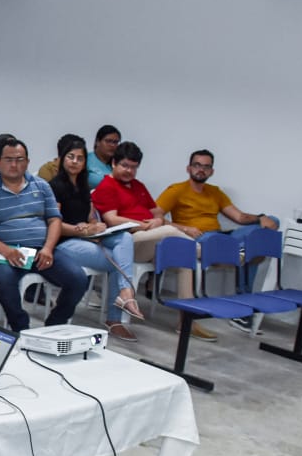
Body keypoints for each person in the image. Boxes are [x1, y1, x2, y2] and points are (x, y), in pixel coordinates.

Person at [90, 141, 212, 340]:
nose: (129, 171)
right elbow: (111, 219)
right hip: (129, 241)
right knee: (170, 232)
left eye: (134, 167)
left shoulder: (139, 186)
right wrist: (144, 224)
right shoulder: (107, 186)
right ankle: (206, 252)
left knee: (184, 257)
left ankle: (186, 321)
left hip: (151, 239)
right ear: (113, 163)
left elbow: (157, 214)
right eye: (125, 166)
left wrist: (156, 221)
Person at [0, 137, 87, 333]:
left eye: (20, 159)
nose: (14, 164)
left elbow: (54, 220)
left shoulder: (41, 186)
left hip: (41, 249)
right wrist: (6, 251)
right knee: (4, 281)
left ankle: (53, 326)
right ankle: (21, 329)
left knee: (78, 279)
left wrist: (49, 248)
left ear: (27, 161)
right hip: (5, 251)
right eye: (9, 159)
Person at [155, 149, 281, 318]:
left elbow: (239, 217)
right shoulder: (176, 190)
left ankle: (243, 254)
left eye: (206, 167)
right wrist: (184, 228)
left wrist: (261, 218)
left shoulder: (215, 192)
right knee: (247, 250)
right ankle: (243, 296)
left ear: (212, 171)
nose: (201, 170)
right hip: (200, 238)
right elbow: (154, 216)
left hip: (221, 237)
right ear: (188, 168)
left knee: (272, 221)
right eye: (197, 165)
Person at [49, 135, 144, 342]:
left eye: (80, 158)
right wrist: (81, 230)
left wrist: (95, 225)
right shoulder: (54, 186)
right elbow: (53, 225)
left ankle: (125, 294)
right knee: (116, 261)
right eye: (70, 157)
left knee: (124, 238)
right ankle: (115, 317)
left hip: (87, 238)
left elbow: (90, 217)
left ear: (85, 163)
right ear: (63, 159)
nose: (75, 162)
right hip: (64, 243)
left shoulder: (83, 187)